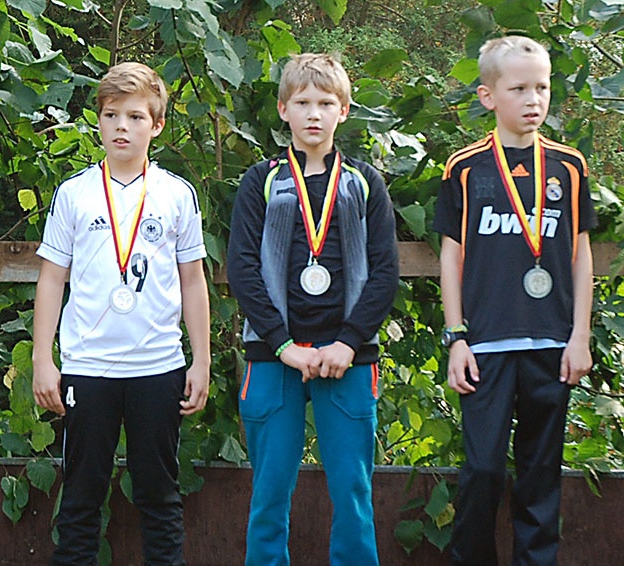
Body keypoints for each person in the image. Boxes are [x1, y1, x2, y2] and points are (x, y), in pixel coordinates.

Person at [31, 61, 211, 566]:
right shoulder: (74, 193)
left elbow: (193, 280)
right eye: (111, 115)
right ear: (99, 121)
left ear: (157, 125)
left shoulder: (176, 194)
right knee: (81, 497)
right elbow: (52, 279)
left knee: (159, 495)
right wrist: (43, 359)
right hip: (88, 367)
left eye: (135, 117)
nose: (121, 127)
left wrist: (201, 360)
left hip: (158, 366)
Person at [227, 53, 399, 565]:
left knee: (353, 493)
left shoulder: (364, 182)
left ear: (343, 111)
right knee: (269, 494)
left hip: (347, 358)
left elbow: (384, 272)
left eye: (325, 103)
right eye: (302, 102)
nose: (314, 114)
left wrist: (348, 342)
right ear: (283, 109)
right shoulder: (261, 180)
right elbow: (242, 269)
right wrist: (283, 345)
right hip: (273, 356)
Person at [433, 35, 596, 565]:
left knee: (541, 474)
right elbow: (451, 257)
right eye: (520, 89)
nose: (534, 99)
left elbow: (580, 256)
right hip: (485, 346)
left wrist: (580, 336)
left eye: (542, 88)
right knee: (482, 470)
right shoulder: (465, 168)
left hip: (553, 344)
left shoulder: (569, 166)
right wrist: (457, 337)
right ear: (488, 96)